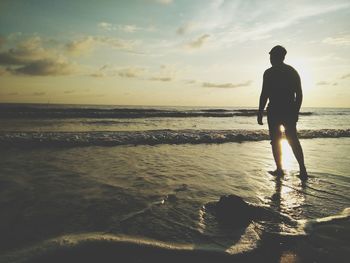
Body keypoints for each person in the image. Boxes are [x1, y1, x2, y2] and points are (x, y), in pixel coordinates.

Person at [257, 45, 308, 179]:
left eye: (273, 56)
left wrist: (295, 111)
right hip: (277, 110)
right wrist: (260, 112)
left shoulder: (288, 71)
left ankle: (301, 169)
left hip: (283, 111)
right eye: (270, 56)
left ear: (281, 57)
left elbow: (299, 94)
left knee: (291, 140)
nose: (271, 59)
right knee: (277, 140)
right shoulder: (272, 72)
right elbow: (265, 94)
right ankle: (281, 168)